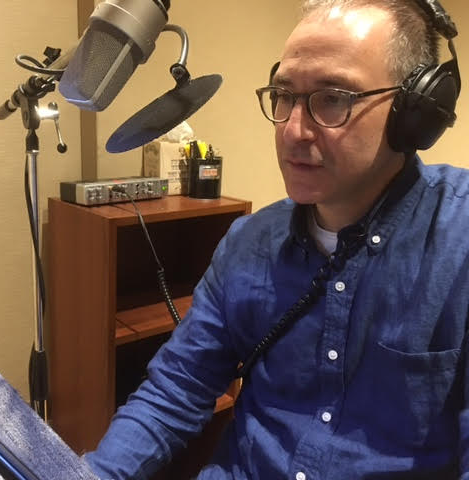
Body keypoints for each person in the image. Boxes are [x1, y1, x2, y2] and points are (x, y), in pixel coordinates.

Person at [85, 0, 469, 478]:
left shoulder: (459, 237)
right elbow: (175, 390)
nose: (293, 130)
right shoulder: (248, 242)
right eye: (283, 95)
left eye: (333, 98)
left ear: (416, 112)